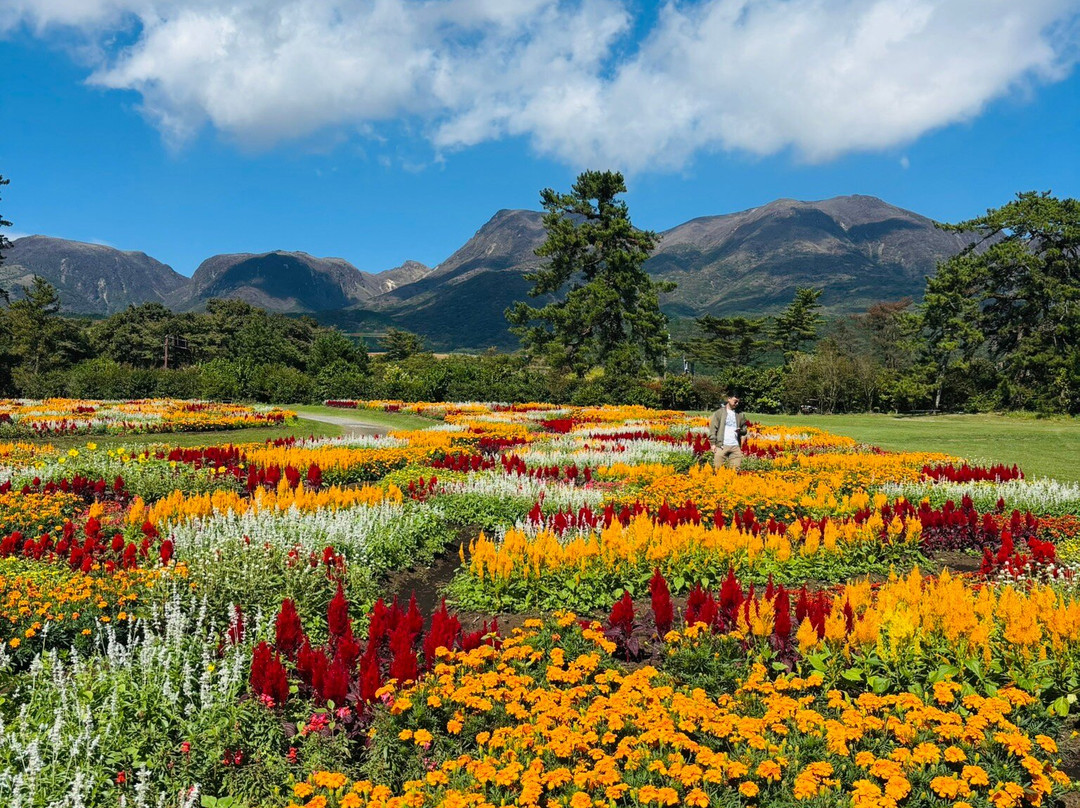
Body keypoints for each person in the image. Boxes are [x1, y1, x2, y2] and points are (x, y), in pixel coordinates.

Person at [708, 394, 747, 470]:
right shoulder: (719, 413)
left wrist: (740, 431)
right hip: (721, 446)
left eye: (738, 402)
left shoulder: (740, 414)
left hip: (735, 446)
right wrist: (712, 444)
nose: (737, 404)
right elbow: (713, 429)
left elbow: (744, 429)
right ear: (729, 399)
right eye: (735, 401)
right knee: (718, 470)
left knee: (735, 471)